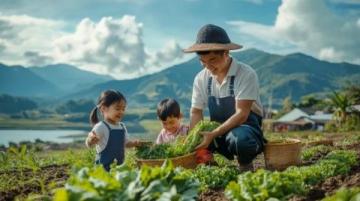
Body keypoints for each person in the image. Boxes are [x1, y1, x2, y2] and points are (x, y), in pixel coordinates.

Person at [184, 24, 266, 171]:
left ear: (226, 53)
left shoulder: (246, 74)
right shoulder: (201, 79)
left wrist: (213, 134)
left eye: (213, 60)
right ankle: (210, 166)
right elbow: (196, 112)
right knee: (197, 140)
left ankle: (245, 165)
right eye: (203, 62)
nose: (208, 67)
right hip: (215, 133)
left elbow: (242, 114)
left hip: (245, 128)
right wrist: (193, 139)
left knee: (240, 139)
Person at [85, 89, 142, 171]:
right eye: (118, 109)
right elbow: (89, 143)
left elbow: (126, 143)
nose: (121, 112)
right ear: (104, 109)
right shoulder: (101, 126)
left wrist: (135, 143)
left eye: (123, 109)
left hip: (119, 168)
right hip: (103, 170)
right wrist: (90, 140)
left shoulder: (122, 126)